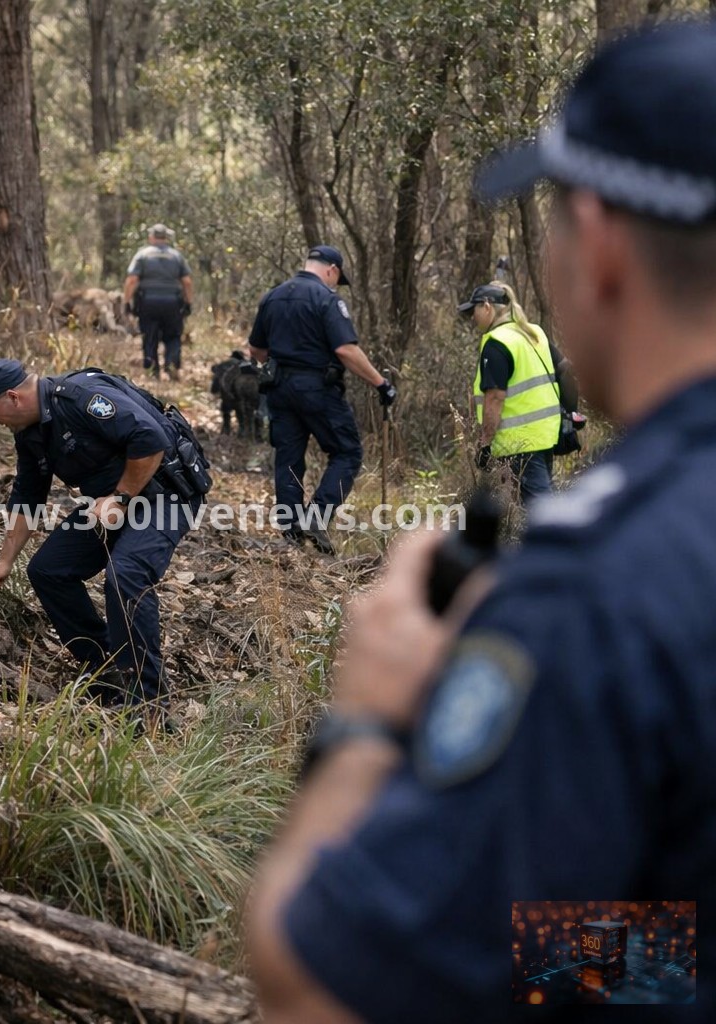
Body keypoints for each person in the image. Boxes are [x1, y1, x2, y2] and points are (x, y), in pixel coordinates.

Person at [247, 20, 716, 1023]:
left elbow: (319, 987)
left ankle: (298, 522)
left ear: (596, 244)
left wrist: (370, 717)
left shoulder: (594, 593)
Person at [0, 358, 204, 711]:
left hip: (165, 494)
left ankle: (147, 702)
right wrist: (4, 560)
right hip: (112, 501)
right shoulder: (31, 433)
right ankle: (106, 669)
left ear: (13, 397)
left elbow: (150, 439)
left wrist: (120, 500)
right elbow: (28, 497)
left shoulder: (82, 399)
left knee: (126, 576)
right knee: (48, 570)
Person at [248, 245, 396, 554]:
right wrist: (380, 383)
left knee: (288, 458)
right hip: (317, 388)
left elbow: (257, 351)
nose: (334, 284)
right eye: (336, 279)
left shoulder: (272, 297)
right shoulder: (326, 299)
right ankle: (316, 518)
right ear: (332, 270)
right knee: (348, 451)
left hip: (279, 388)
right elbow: (346, 350)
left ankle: (290, 536)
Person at [459, 280, 561, 504]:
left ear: (487, 307)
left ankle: (563, 539)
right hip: (545, 435)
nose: (472, 317)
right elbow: (564, 369)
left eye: (474, 310)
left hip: (519, 443)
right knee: (533, 506)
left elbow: (494, 398)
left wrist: (484, 444)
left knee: (540, 511)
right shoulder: (533, 333)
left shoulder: (498, 343)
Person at [122, 224, 193, 380]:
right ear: (165, 238)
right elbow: (187, 282)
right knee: (173, 336)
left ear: (151, 237)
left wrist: (127, 302)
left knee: (149, 336)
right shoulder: (176, 256)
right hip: (172, 303)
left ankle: (152, 370)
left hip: (148, 303)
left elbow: (132, 280)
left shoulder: (142, 256)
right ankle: (171, 367)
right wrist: (188, 303)